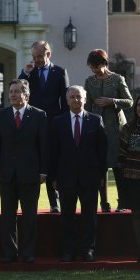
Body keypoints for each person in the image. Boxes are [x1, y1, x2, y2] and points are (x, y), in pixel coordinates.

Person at [0, 79, 48, 264]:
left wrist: (43, 171)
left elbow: (43, 146)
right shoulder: (0, 115)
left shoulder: (39, 115)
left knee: (30, 216)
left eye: (17, 91)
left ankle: (28, 253)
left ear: (26, 95)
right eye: (11, 91)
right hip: (6, 173)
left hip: (30, 174)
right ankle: (10, 253)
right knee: (8, 216)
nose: (13, 95)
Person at [51, 85, 107, 262]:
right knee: (66, 216)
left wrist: (101, 177)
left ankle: (87, 250)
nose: (76, 100)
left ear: (85, 99)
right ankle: (68, 250)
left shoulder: (96, 120)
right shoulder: (57, 122)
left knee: (89, 216)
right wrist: (53, 177)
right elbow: (54, 152)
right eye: (72, 97)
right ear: (67, 101)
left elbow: (102, 152)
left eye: (79, 97)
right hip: (66, 178)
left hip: (89, 178)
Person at [18, 40, 69, 213]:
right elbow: (18, 90)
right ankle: (31, 204)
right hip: (33, 125)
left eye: (39, 56)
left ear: (48, 54)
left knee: (52, 163)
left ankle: (54, 202)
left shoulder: (60, 72)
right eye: (34, 57)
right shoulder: (29, 73)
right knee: (35, 162)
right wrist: (25, 73)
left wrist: (64, 124)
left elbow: (65, 100)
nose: (36, 60)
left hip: (54, 125)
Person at [85, 49, 133, 213]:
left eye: (96, 66)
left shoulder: (118, 79)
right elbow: (86, 106)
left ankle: (122, 202)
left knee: (119, 167)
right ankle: (104, 203)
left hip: (117, 130)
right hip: (98, 129)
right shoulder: (89, 81)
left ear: (105, 63)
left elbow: (130, 102)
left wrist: (112, 101)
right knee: (101, 167)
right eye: (92, 67)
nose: (94, 70)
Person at [118, 95, 140, 262]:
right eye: (139, 105)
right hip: (132, 180)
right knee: (136, 216)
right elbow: (121, 155)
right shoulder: (128, 127)